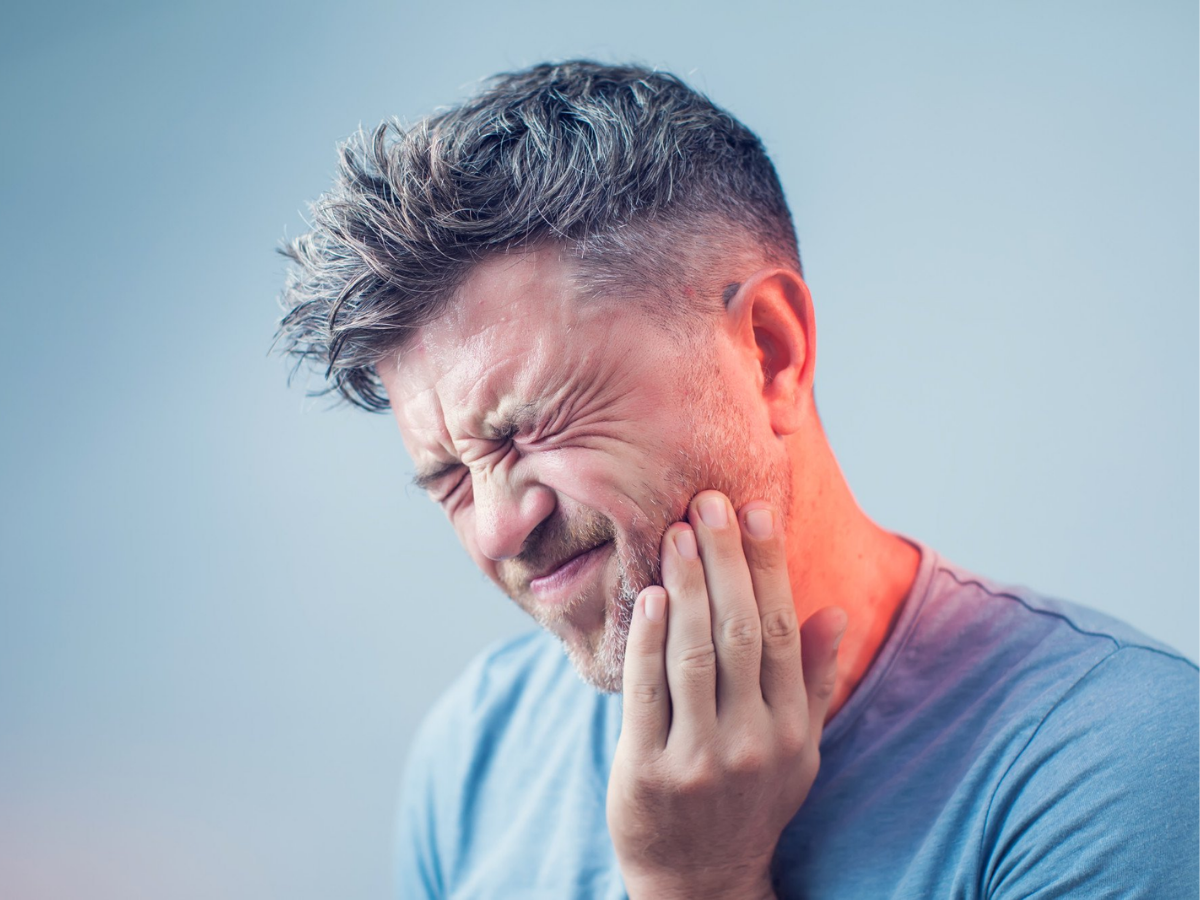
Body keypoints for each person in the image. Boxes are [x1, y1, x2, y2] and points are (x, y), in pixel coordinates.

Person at [274, 60, 1198, 899]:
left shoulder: (1119, 771)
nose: (495, 530)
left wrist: (699, 885)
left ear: (770, 353)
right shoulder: (474, 757)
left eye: (530, 428)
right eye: (448, 479)